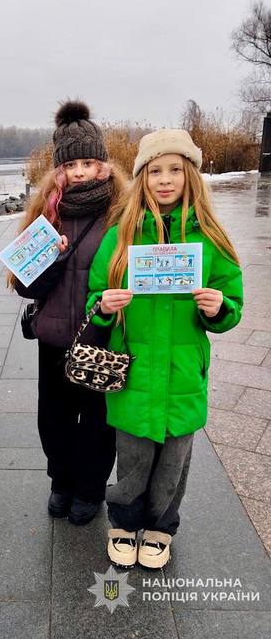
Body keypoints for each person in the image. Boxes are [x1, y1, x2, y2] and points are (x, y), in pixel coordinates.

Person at [86, 129, 243, 569]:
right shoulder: (121, 235)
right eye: (155, 171)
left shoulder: (210, 238)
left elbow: (233, 302)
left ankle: (161, 527)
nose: (165, 179)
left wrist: (219, 307)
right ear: (142, 177)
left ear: (191, 175)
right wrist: (104, 306)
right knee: (133, 457)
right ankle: (123, 522)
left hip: (183, 373)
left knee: (175, 461)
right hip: (133, 373)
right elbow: (94, 295)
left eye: (175, 169)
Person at [10, 101, 127, 525]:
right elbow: (23, 285)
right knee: (54, 420)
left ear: (103, 165)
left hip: (103, 336)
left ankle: (90, 489)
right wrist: (53, 260)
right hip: (55, 337)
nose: (79, 172)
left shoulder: (123, 211)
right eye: (71, 164)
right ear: (59, 168)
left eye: (88, 163)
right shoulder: (46, 212)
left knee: (99, 423)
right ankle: (61, 481)